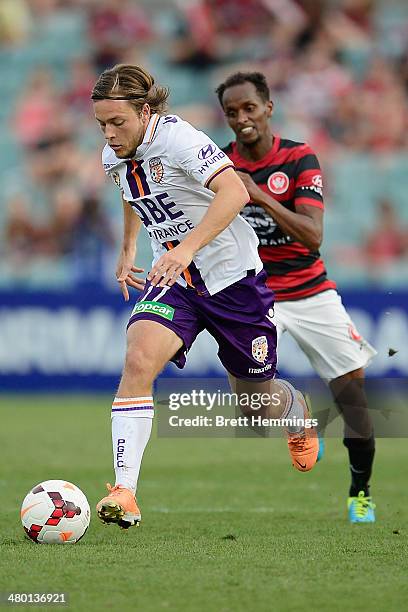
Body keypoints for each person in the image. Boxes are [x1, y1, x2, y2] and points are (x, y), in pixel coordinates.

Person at [91, 64, 321, 529]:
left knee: (255, 409)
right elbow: (132, 190)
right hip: (175, 281)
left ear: (146, 111)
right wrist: (129, 246)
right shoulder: (114, 154)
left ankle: (294, 408)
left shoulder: (180, 140)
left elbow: (234, 191)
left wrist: (188, 248)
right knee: (137, 361)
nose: (110, 134)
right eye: (102, 124)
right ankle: (124, 491)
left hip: (235, 281)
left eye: (118, 122)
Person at [216, 71, 377, 523]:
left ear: (269, 108)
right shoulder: (219, 164)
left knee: (355, 407)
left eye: (249, 108)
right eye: (232, 112)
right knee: (250, 410)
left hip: (311, 293)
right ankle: (299, 415)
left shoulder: (299, 158)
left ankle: (360, 492)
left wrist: (259, 196)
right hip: (254, 295)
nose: (242, 119)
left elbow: (312, 236)